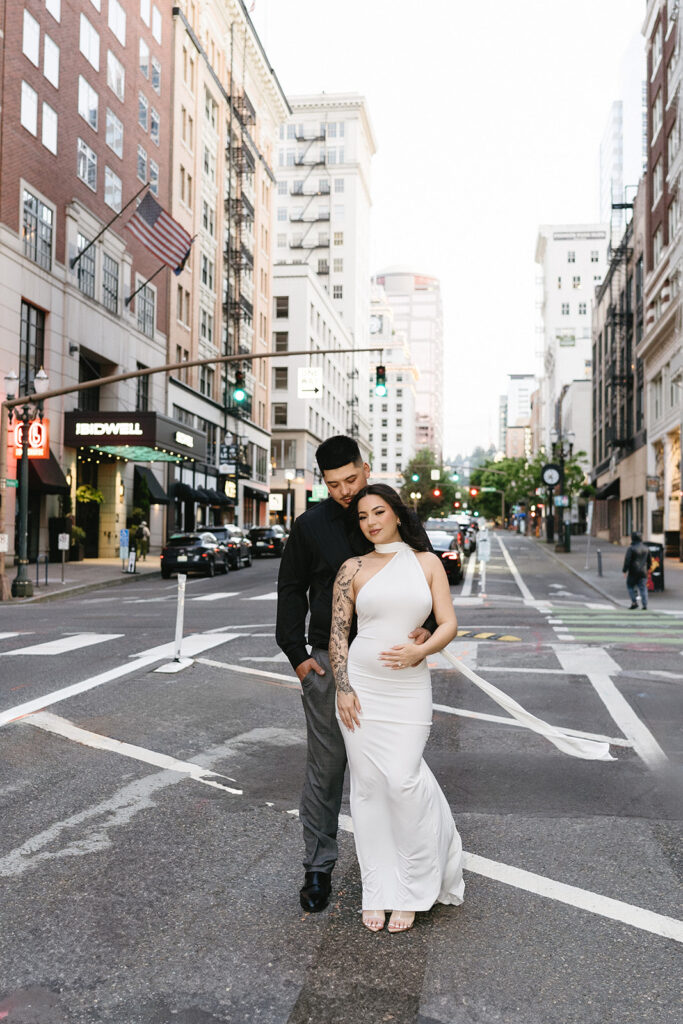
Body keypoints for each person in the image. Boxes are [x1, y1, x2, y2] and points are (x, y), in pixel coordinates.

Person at [276, 436, 436, 914]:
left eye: (351, 479)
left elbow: (429, 580)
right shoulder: (310, 526)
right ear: (321, 482)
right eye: (333, 484)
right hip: (330, 659)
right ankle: (318, 868)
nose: (346, 492)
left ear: (366, 468)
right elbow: (291, 588)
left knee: (394, 772)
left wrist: (424, 634)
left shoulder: (396, 516)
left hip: (390, 668)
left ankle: (402, 869)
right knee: (326, 770)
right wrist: (299, 657)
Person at [330, 484, 464, 933]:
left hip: (408, 688)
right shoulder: (352, 568)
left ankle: (413, 887)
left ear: (397, 515)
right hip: (361, 688)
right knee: (368, 788)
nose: (371, 521)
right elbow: (337, 635)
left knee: (404, 781)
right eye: (363, 516)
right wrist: (343, 688)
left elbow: (448, 623)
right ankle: (378, 890)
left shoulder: (427, 563)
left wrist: (419, 652)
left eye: (379, 512)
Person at [623, 531, 652, 609]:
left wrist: (625, 570)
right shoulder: (646, 548)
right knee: (643, 588)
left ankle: (634, 602)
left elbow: (627, 560)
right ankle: (645, 604)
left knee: (630, 586)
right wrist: (648, 569)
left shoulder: (631, 548)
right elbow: (649, 561)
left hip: (633, 571)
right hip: (643, 572)